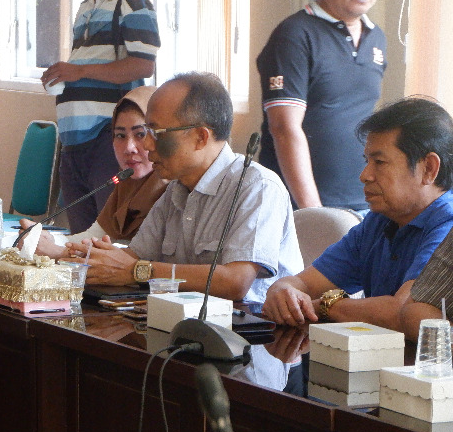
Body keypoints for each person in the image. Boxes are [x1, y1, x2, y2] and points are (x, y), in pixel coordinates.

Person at [70, 72, 302, 304]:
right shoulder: (176, 189)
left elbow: (235, 282)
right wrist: (99, 260)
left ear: (200, 137)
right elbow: (133, 257)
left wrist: (136, 271)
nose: (148, 145)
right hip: (182, 323)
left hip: (250, 332)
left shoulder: (257, 187)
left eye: (157, 133)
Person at [264, 98, 453, 330]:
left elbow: (402, 311)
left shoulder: (448, 224)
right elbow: (302, 282)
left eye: (380, 162)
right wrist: (282, 291)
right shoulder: (380, 220)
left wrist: (327, 305)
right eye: (367, 161)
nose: (365, 175)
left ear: (429, 169)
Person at [256, 0, 386, 211]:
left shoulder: (376, 38)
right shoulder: (295, 35)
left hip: (363, 202)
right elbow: (284, 128)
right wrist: (314, 212)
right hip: (300, 207)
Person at [43, 0, 159, 234]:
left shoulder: (132, 1)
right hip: (73, 143)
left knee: (108, 237)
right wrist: (65, 76)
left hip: (105, 139)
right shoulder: (88, 4)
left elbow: (142, 65)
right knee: (80, 240)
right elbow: (91, 62)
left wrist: (79, 71)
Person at [25, 84, 167, 257]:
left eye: (140, 134)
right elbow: (93, 236)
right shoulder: (126, 184)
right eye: (120, 136)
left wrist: (59, 252)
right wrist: (51, 239)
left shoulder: (173, 189)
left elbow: (142, 256)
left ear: (160, 136)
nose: (129, 148)